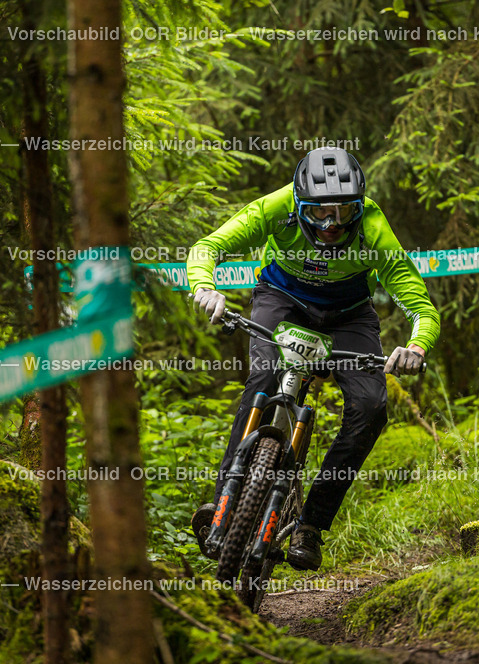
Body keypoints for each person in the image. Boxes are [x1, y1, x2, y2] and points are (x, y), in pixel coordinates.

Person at [187, 147, 439, 570]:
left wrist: (415, 347)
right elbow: (208, 246)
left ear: (359, 207)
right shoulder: (277, 207)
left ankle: (311, 525)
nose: (330, 224)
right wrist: (205, 287)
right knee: (263, 379)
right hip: (282, 299)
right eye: (319, 213)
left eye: (344, 213)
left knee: (371, 407)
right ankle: (222, 504)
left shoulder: (374, 230)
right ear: (299, 203)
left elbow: (421, 307)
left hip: (348, 315)